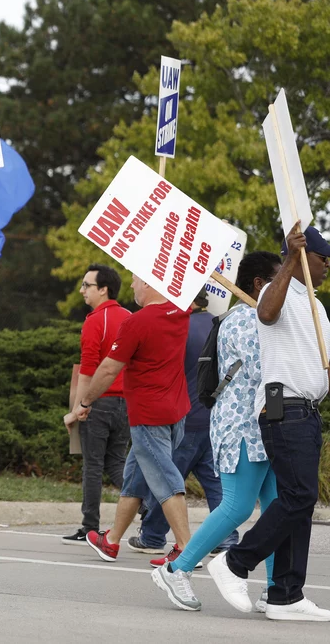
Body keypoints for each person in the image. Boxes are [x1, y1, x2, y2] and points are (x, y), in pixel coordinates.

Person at [207, 225, 330, 621]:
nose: (327, 265)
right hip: (283, 407)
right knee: (297, 497)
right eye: (321, 257)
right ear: (300, 257)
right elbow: (265, 311)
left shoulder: (315, 304)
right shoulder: (276, 291)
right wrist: (291, 260)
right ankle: (234, 563)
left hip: (307, 410)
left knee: (299, 501)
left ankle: (285, 595)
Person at [151, 251, 282, 612]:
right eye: (277, 279)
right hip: (240, 426)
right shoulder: (243, 320)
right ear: (258, 284)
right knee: (237, 506)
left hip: (266, 426)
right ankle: (175, 569)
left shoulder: (262, 318)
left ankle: (275, 589)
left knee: (274, 508)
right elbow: (267, 369)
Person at [76, 275, 192, 565]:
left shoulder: (136, 322)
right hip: (176, 412)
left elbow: (107, 370)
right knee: (134, 478)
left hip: (148, 416)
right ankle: (112, 541)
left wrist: (86, 401)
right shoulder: (180, 311)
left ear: (151, 284)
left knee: (166, 479)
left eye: (135, 281)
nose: (131, 286)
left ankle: (186, 548)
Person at [134, 290, 238, 561]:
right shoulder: (220, 324)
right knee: (215, 484)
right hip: (214, 417)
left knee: (167, 481)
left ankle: (153, 536)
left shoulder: (180, 327)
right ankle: (226, 538)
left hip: (185, 416)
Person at [61, 264, 131, 545]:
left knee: (92, 466)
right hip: (127, 404)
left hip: (99, 402)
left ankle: (89, 527)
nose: (82, 291)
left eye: (86, 285)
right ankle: (151, 508)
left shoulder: (94, 320)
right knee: (117, 464)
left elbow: (88, 370)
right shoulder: (130, 317)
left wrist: (78, 408)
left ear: (103, 289)